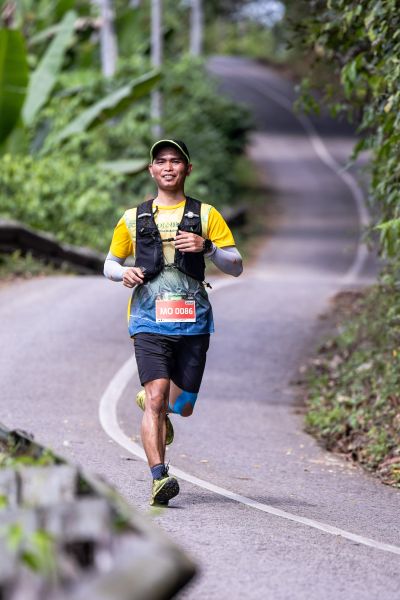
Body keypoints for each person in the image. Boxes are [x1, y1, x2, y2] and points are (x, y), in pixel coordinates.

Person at [104, 139, 243, 506]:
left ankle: (164, 406)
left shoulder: (207, 215)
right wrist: (123, 273)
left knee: (183, 406)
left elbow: (236, 265)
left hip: (193, 322)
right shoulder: (132, 218)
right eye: (161, 161)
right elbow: (109, 264)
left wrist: (207, 248)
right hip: (147, 319)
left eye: (176, 161)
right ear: (151, 170)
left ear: (187, 169)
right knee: (156, 396)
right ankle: (159, 477)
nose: (168, 167)